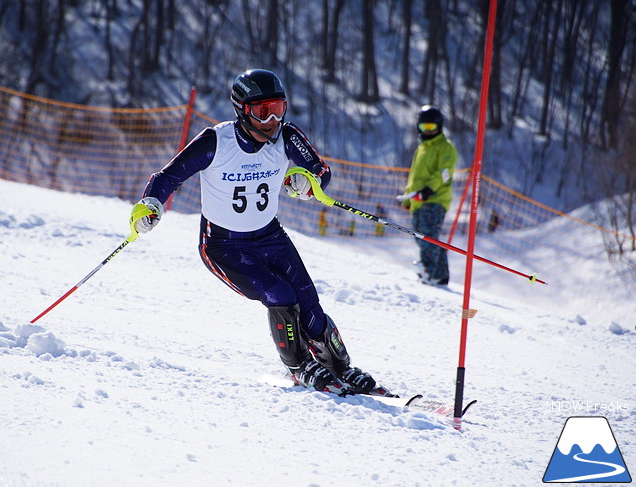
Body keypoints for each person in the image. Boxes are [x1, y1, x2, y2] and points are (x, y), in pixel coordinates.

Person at [130, 69, 376, 394]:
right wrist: (151, 204)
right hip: (223, 246)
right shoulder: (216, 142)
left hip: (270, 236)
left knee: (311, 311)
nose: (273, 119)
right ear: (242, 110)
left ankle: (341, 368)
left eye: (278, 107)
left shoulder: (286, 136)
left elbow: (320, 169)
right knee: (281, 294)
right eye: (263, 111)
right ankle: (299, 365)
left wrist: (308, 181)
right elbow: (167, 177)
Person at [399, 105, 458, 286]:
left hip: (434, 199)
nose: (428, 132)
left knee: (428, 236)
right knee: (421, 236)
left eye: (431, 128)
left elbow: (444, 172)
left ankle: (431, 271)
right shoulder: (422, 148)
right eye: (425, 128)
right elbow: (415, 176)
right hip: (418, 201)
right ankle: (438, 274)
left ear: (439, 127)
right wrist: (409, 198)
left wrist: (429, 190)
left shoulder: (445, 148)